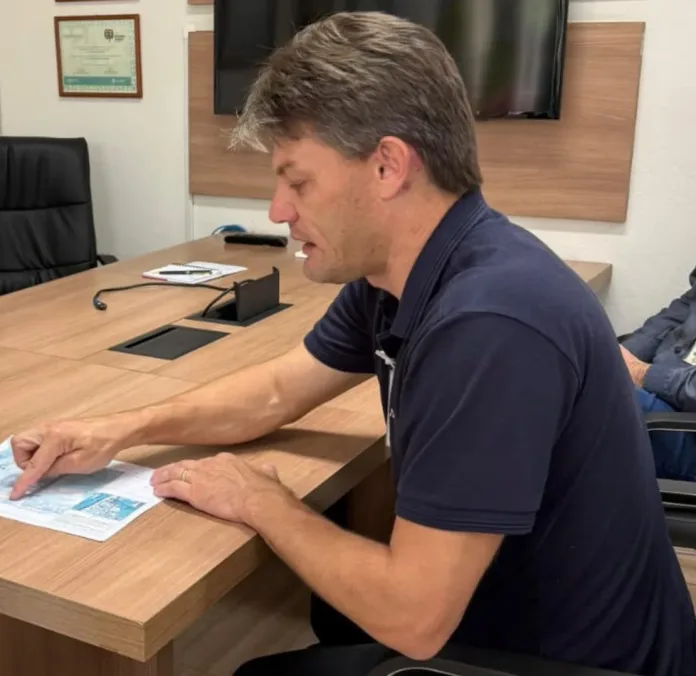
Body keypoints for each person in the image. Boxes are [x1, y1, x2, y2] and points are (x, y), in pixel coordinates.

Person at [8, 11, 696, 676]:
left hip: (560, 660)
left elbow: (413, 619)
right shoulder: (405, 270)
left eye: (297, 181)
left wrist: (261, 501)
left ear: (387, 167)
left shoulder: (489, 324)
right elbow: (277, 390)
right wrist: (117, 430)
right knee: (326, 604)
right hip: (499, 613)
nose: (278, 211)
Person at [620, 267, 696, 481]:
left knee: (596, 394)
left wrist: (641, 373)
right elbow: (676, 315)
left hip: (686, 425)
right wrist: (618, 357)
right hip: (666, 395)